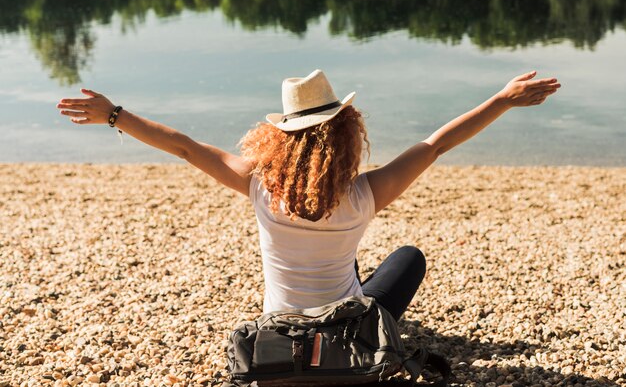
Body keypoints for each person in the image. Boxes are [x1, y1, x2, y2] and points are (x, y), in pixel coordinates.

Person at [56, 69, 560, 321]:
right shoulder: (364, 195)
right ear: (345, 133)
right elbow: (436, 145)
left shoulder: (258, 186)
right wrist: (501, 100)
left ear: (281, 137)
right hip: (347, 333)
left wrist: (115, 115)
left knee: (349, 264)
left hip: (280, 333)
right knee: (406, 257)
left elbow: (185, 147)